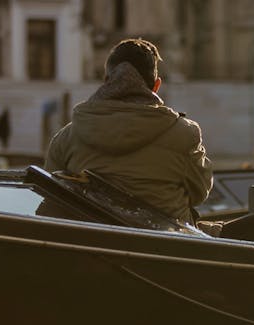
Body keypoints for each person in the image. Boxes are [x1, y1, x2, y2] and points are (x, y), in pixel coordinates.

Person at [45, 38, 214, 223]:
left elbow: (51, 201)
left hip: (90, 245)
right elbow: (200, 193)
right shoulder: (184, 135)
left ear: (106, 81)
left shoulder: (66, 139)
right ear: (156, 86)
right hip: (164, 247)